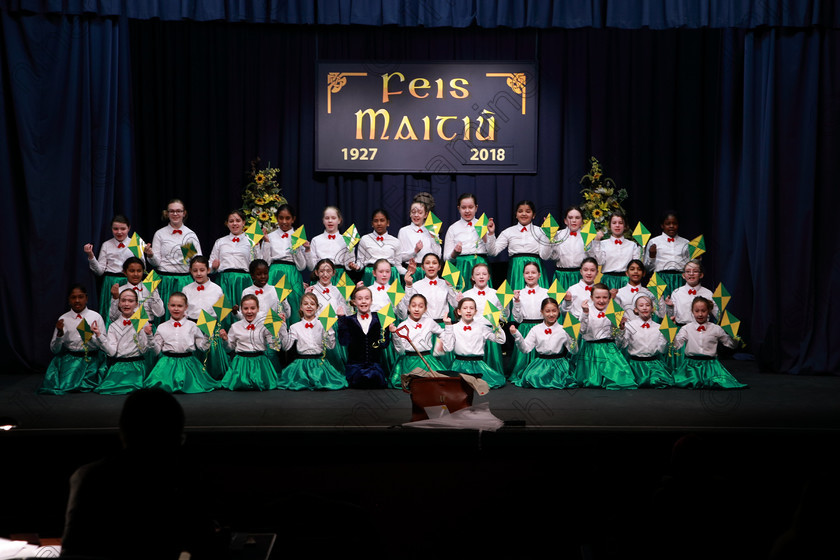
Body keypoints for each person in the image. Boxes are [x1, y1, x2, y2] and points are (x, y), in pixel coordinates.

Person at [61, 388, 221, 559]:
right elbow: (204, 545)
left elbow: (73, 551)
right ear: (175, 439)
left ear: (123, 432)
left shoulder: (90, 478)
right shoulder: (183, 482)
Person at [144, 292, 218, 393]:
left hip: (189, 365)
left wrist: (208, 335)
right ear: (168, 306)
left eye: (180, 306)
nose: (176, 309)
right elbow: (155, 352)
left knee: (195, 386)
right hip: (166, 365)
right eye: (173, 305)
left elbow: (203, 348)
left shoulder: (192, 326)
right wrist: (149, 336)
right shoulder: (162, 327)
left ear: (186, 307)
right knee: (158, 387)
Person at [39, 284, 104, 395]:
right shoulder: (64, 318)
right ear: (69, 300)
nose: (77, 300)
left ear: (86, 298)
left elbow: (103, 345)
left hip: (91, 359)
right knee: (65, 383)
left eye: (81, 297)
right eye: (73, 297)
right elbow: (55, 350)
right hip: (71, 358)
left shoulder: (96, 317)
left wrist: (88, 336)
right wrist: (60, 334)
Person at [144, 199, 202, 319]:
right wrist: (150, 255)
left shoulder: (189, 234)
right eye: (172, 211)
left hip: (184, 280)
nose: (175, 214)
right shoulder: (160, 234)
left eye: (178, 211)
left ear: (184, 213)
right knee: (161, 313)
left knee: (184, 314)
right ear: (167, 213)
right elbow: (157, 263)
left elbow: (196, 262)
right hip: (163, 280)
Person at [673, 296, 747, 389]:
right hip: (691, 366)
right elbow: (676, 345)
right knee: (681, 382)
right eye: (697, 311)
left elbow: (731, 345)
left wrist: (734, 336)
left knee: (718, 383)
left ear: (708, 311)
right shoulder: (686, 328)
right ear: (692, 311)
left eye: (703, 311)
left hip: (711, 366)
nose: (700, 314)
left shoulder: (716, 328)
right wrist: (671, 336)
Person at [278, 293, 348, 390]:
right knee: (296, 383)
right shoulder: (295, 327)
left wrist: (329, 329)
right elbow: (286, 347)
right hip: (301, 365)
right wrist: (283, 327)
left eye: (312, 303)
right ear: (301, 307)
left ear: (317, 307)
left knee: (332, 382)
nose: (309, 306)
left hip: (319, 364)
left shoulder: (323, 324)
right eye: (306, 304)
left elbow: (330, 346)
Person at [575, 283, 637, 389]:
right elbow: (582, 331)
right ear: (591, 298)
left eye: (605, 297)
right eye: (597, 297)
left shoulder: (615, 311)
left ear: (609, 298)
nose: (601, 300)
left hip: (609, 350)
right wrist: (585, 313)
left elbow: (620, 341)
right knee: (592, 382)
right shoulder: (587, 311)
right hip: (591, 351)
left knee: (622, 380)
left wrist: (621, 328)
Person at [83, 214, 140, 324]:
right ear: (111, 229)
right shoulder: (107, 244)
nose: (119, 232)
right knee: (111, 314)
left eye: (123, 229)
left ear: (129, 228)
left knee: (131, 313)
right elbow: (99, 271)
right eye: (115, 229)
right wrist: (91, 255)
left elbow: (142, 268)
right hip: (110, 283)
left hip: (129, 282)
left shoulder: (136, 242)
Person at [95, 288, 155, 394]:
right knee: (107, 389)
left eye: (130, 301)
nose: (126, 304)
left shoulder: (141, 321)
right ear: (119, 303)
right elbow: (112, 352)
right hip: (119, 367)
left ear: (136, 304)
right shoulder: (113, 326)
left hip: (137, 367)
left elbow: (144, 350)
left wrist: (144, 333)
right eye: (123, 300)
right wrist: (99, 336)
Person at [510, 298, 577, 389]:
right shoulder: (536, 329)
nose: (551, 314)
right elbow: (525, 349)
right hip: (541, 363)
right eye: (547, 311)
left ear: (558, 311)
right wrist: (517, 335)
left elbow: (573, 351)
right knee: (532, 378)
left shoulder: (563, 329)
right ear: (542, 312)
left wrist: (572, 338)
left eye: (554, 311)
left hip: (559, 364)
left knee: (561, 379)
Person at [182, 256, 229, 380]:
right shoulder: (186, 289)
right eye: (195, 270)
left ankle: (212, 376)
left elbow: (222, 312)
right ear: (190, 271)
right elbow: (184, 310)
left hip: (210, 326)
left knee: (211, 357)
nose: (198, 273)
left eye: (202, 270)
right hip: (192, 326)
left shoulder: (217, 289)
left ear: (208, 270)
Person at [218, 295, 280, 391]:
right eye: (246, 308)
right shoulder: (235, 327)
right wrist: (225, 340)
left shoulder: (264, 325)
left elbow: (274, 346)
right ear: (241, 310)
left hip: (260, 364)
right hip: (241, 364)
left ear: (258, 309)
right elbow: (229, 349)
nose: (249, 311)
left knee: (263, 386)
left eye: (252, 308)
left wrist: (274, 332)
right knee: (240, 386)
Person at [441, 298, 506, 388]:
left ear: (475, 311)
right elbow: (448, 348)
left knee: (496, 381)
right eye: (465, 308)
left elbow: (501, 340)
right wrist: (448, 326)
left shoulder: (482, 327)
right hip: (459, 366)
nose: (468, 311)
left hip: (478, 365)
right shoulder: (453, 328)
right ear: (459, 311)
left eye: (471, 308)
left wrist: (496, 324)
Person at [486, 199, 551, 288]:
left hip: (535, 268)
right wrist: (491, 234)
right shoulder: (508, 232)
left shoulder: (540, 231)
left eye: (528, 211)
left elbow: (545, 256)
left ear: (533, 215)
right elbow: (492, 252)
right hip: (516, 270)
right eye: (520, 211)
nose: (524, 214)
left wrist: (547, 236)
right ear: (516, 215)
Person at [261, 203, 308, 324]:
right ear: (276, 218)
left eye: (288, 218)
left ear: (293, 219)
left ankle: (293, 339)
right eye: (281, 218)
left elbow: (302, 266)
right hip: (274, 273)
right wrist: (266, 242)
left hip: (292, 274)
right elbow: (265, 262)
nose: (284, 221)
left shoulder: (297, 236)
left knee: (294, 303)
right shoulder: (270, 236)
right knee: (274, 304)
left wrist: (296, 247)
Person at [388, 294, 446, 389]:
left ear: (425, 309)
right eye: (413, 306)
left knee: (438, 381)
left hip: (427, 360)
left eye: (421, 306)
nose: (417, 309)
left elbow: (442, 333)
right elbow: (400, 351)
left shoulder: (429, 322)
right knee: (411, 383)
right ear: (408, 307)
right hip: (408, 362)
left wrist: (439, 349)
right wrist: (395, 334)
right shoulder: (402, 325)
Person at [336, 286, 390, 389]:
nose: (363, 301)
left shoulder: (380, 318)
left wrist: (386, 328)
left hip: (375, 368)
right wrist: (341, 320)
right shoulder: (348, 320)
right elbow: (344, 342)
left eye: (367, 298)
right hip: (355, 368)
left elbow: (384, 344)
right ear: (354, 302)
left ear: (371, 300)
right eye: (359, 299)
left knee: (375, 379)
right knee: (358, 380)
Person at [617, 294, 674, 388]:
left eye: (647, 305)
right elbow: (622, 345)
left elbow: (662, 350)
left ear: (652, 309)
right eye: (641, 305)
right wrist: (621, 331)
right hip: (635, 365)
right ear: (636, 309)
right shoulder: (629, 326)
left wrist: (665, 335)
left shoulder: (658, 327)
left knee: (662, 382)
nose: (644, 308)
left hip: (654, 365)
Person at [209, 209, 254, 325]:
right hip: (224, 281)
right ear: (227, 223)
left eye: (238, 221)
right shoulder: (220, 242)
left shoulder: (251, 242)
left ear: (243, 222)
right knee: (223, 313)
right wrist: (214, 267)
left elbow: (256, 263)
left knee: (244, 311)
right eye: (231, 221)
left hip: (243, 281)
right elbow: (210, 265)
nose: (235, 224)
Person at [461, 263, 507, 374]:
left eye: (484, 274)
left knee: (492, 367)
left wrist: (506, 305)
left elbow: (503, 315)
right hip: (473, 333)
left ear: (489, 276)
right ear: (472, 277)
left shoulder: (496, 293)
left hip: (491, 331)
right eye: (477, 274)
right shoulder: (466, 294)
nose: (481, 276)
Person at [442, 193, 493, 289]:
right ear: (458, 208)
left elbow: (492, 252)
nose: (467, 211)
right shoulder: (453, 228)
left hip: (480, 266)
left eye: (471, 207)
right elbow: (446, 258)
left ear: (476, 208)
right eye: (463, 207)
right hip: (460, 267)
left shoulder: (483, 225)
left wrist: (489, 234)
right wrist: (454, 253)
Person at [509, 262, 549, 381]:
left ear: (539, 275)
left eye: (533, 272)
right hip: (525, 327)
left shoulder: (547, 292)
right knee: (523, 360)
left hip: (541, 327)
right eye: (527, 273)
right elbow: (517, 319)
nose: (530, 275)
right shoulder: (518, 294)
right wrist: (516, 302)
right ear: (523, 275)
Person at [590, 212, 641, 290]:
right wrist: (596, 241)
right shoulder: (603, 244)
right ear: (610, 226)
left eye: (620, 223)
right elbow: (600, 262)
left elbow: (636, 264)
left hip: (626, 280)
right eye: (614, 223)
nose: (617, 225)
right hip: (608, 280)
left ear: (625, 226)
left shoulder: (632, 245)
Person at [644, 211, 690, 296]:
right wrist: (652, 256)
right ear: (662, 225)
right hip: (659, 279)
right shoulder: (654, 242)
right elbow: (647, 269)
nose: (671, 226)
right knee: (659, 306)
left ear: (678, 225)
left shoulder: (686, 243)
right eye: (668, 224)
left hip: (680, 278)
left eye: (674, 223)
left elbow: (691, 265)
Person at [107, 256, 165, 324]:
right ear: (125, 272)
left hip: (147, 329)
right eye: (132, 271)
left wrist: (154, 292)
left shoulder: (150, 288)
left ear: (143, 272)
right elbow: (113, 318)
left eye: (139, 271)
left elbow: (160, 313)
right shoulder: (119, 290)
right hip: (126, 328)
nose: (136, 274)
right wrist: (115, 298)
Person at [660, 260, 718, 325]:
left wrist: (719, 302)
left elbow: (718, 316)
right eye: (688, 271)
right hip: (681, 329)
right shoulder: (677, 293)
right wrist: (670, 307)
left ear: (701, 275)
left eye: (695, 271)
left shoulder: (708, 293)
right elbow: (669, 317)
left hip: (702, 329)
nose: (691, 274)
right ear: (683, 275)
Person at [356, 208, 405, 285]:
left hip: (390, 276)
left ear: (388, 223)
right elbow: (360, 263)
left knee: (392, 297)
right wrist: (356, 267)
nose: (379, 223)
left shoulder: (395, 241)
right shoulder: (365, 239)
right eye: (376, 221)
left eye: (382, 220)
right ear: (372, 223)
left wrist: (408, 272)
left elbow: (398, 265)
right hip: (370, 275)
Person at [398, 198, 441, 282]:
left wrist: (433, 237)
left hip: (429, 271)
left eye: (420, 212)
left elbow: (438, 255)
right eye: (413, 212)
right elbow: (399, 257)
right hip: (412, 271)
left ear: (426, 215)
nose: (416, 215)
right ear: (410, 214)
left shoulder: (432, 229)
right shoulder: (404, 231)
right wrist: (414, 251)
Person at [307, 206, 354, 281]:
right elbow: (311, 267)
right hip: (321, 277)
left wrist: (351, 248)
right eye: (327, 218)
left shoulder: (346, 240)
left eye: (333, 218)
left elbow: (348, 266)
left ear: (339, 220)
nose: (330, 221)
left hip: (340, 277)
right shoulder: (316, 240)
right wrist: (307, 250)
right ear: (323, 220)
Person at [551, 206, 588, 290]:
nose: (574, 220)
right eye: (570, 218)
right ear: (565, 221)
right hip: (561, 276)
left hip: (580, 277)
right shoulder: (557, 235)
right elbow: (552, 256)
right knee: (558, 302)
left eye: (577, 218)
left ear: (582, 221)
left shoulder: (586, 236)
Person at [561, 257, 600, 321]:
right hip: (576, 325)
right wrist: (567, 302)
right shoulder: (573, 289)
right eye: (585, 270)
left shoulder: (599, 290)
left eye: (592, 270)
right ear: (581, 271)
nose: (589, 273)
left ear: (597, 272)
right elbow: (564, 313)